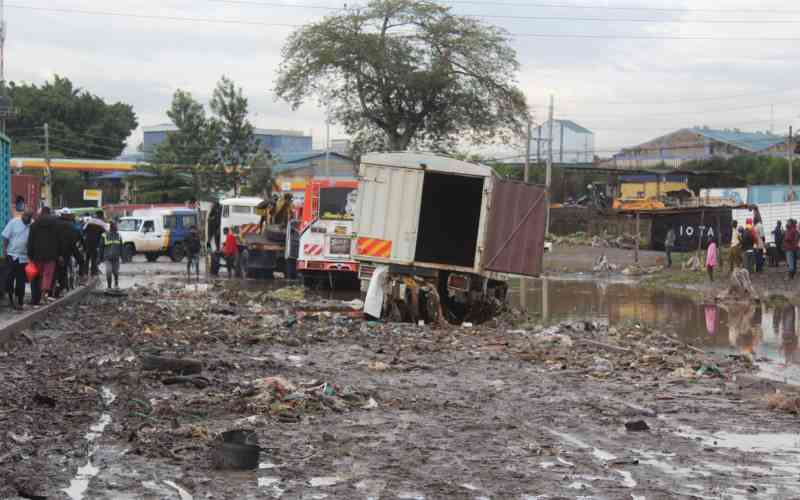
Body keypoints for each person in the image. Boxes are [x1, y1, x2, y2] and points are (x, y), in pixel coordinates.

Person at [27, 207, 60, 304]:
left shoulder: (34, 225)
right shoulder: (56, 224)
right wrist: (59, 254)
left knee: (37, 275)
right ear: (49, 213)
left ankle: (35, 298)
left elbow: (30, 241)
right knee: (47, 275)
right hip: (51, 255)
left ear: (41, 213)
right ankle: (44, 293)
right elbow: (59, 240)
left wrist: (30, 254)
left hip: (37, 255)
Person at [2, 210, 33, 310]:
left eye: (29, 218)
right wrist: (5, 251)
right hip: (12, 255)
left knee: (21, 280)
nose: (28, 220)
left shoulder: (31, 225)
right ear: (23, 216)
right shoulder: (14, 222)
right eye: (26, 218)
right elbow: (6, 237)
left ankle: (20, 300)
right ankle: (10, 298)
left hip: (24, 258)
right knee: (9, 279)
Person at [99, 222, 123, 289]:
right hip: (107, 258)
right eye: (115, 226)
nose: (117, 228)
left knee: (115, 272)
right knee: (109, 271)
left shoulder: (118, 235)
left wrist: (123, 257)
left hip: (116, 258)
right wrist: (100, 258)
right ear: (111, 228)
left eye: (116, 227)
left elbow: (121, 246)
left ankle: (116, 284)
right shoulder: (104, 235)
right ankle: (109, 286)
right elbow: (101, 247)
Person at [84, 211, 106, 275]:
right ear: (101, 216)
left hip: (87, 243)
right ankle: (93, 272)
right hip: (95, 244)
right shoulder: (102, 223)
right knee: (94, 258)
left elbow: (84, 230)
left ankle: (85, 272)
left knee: (87, 258)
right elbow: (105, 233)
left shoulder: (89, 221)